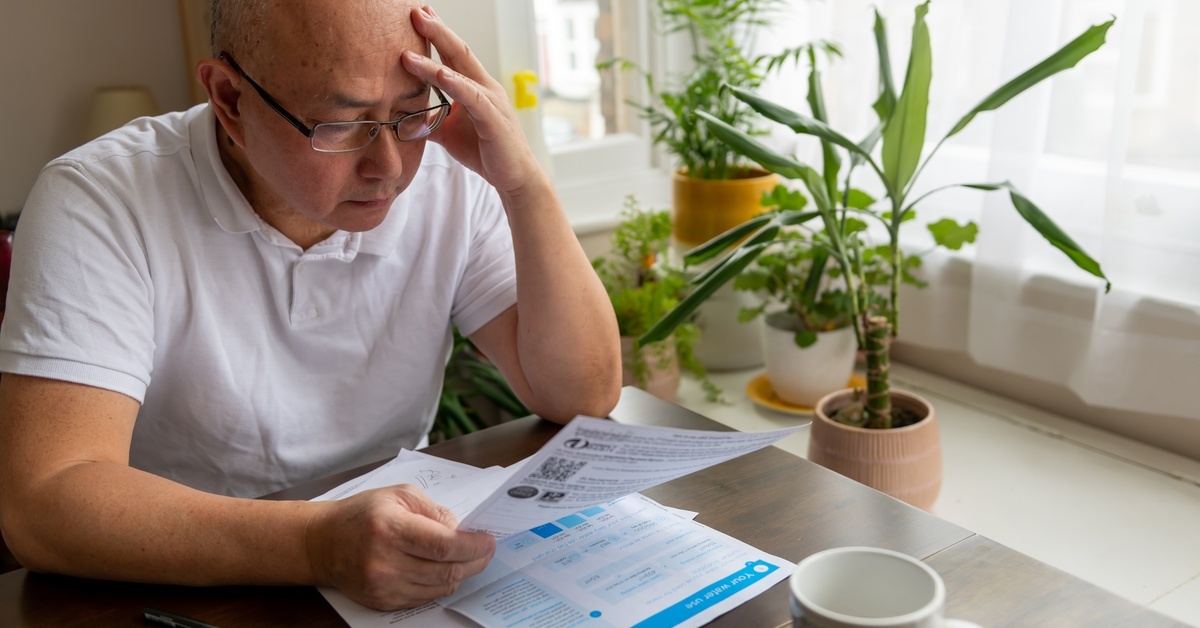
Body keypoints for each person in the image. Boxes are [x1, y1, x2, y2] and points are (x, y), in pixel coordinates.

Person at [0, 0, 621, 612]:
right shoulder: (100, 200)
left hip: (404, 567)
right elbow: (46, 501)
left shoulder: (450, 174)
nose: (388, 168)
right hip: (183, 582)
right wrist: (316, 544)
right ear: (231, 101)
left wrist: (524, 185)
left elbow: (578, 395)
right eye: (343, 125)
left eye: (411, 114)